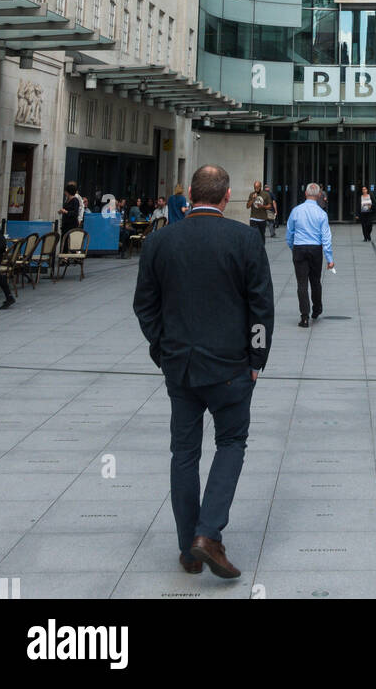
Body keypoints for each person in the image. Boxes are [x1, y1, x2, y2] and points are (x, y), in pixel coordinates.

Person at [133, 165, 273, 580]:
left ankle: (189, 549)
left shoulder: (159, 241)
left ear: (190, 194)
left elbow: (145, 305)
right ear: (227, 196)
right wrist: (257, 360)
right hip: (231, 366)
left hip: (181, 367)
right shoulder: (245, 240)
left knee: (184, 453)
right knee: (231, 443)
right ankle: (207, 534)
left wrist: (162, 350)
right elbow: (260, 307)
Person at [286, 183, 334, 327]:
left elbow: (289, 233)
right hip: (315, 249)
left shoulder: (296, 211)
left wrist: (293, 247)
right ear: (319, 195)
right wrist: (329, 258)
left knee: (301, 283)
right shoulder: (322, 214)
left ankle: (304, 316)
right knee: (315, 280)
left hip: (299, 247)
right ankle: (317, 308)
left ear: (306, 194)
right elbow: (326, 237)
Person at [246, 181, 269, 246]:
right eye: (255, 187)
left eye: (257, 187)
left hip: (262, 219)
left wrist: (262, 206)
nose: (256, 189)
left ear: (260, 187)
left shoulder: (265, 194)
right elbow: (247, 206)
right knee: (253, 235)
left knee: (261, 236)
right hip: (253, 218)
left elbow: (269, 206)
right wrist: (253, 199)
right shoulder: (251, 194)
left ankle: (262, 249)